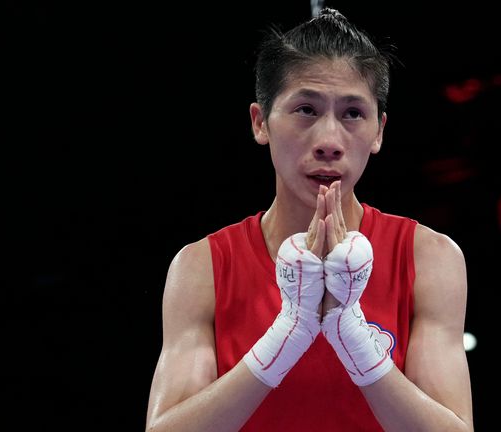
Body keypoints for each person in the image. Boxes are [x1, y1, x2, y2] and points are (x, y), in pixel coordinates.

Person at [145, 7, 474, 432]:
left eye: (353, 113)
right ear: (260, 122)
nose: (329, 142)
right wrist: (290, 333)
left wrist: (351, 335)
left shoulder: (429, 257)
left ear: (379, 132)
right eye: (305, 109)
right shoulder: (202, 266)